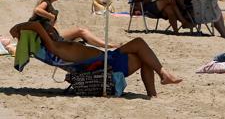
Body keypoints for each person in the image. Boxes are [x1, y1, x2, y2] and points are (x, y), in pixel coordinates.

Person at [10, 21, 181, 97]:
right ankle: (163, 74)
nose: (54, 29)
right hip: (107, 63)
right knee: (140, 44)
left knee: (142, 53)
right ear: (46, 35)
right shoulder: (56, 47)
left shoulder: (58, 44)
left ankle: (155, 91)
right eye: (51, 29)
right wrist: (19, 28)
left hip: (107, 59)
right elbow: (36, 25)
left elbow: (45, 28)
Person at [29, 0, 119, 48]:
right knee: (81, 31)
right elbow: (37, 10)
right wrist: (51, 16)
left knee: (80, 34)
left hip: (49, 36)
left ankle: (104, 45)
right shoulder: (46, 3)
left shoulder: (49, 4)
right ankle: (107, 45)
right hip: (47, 39)